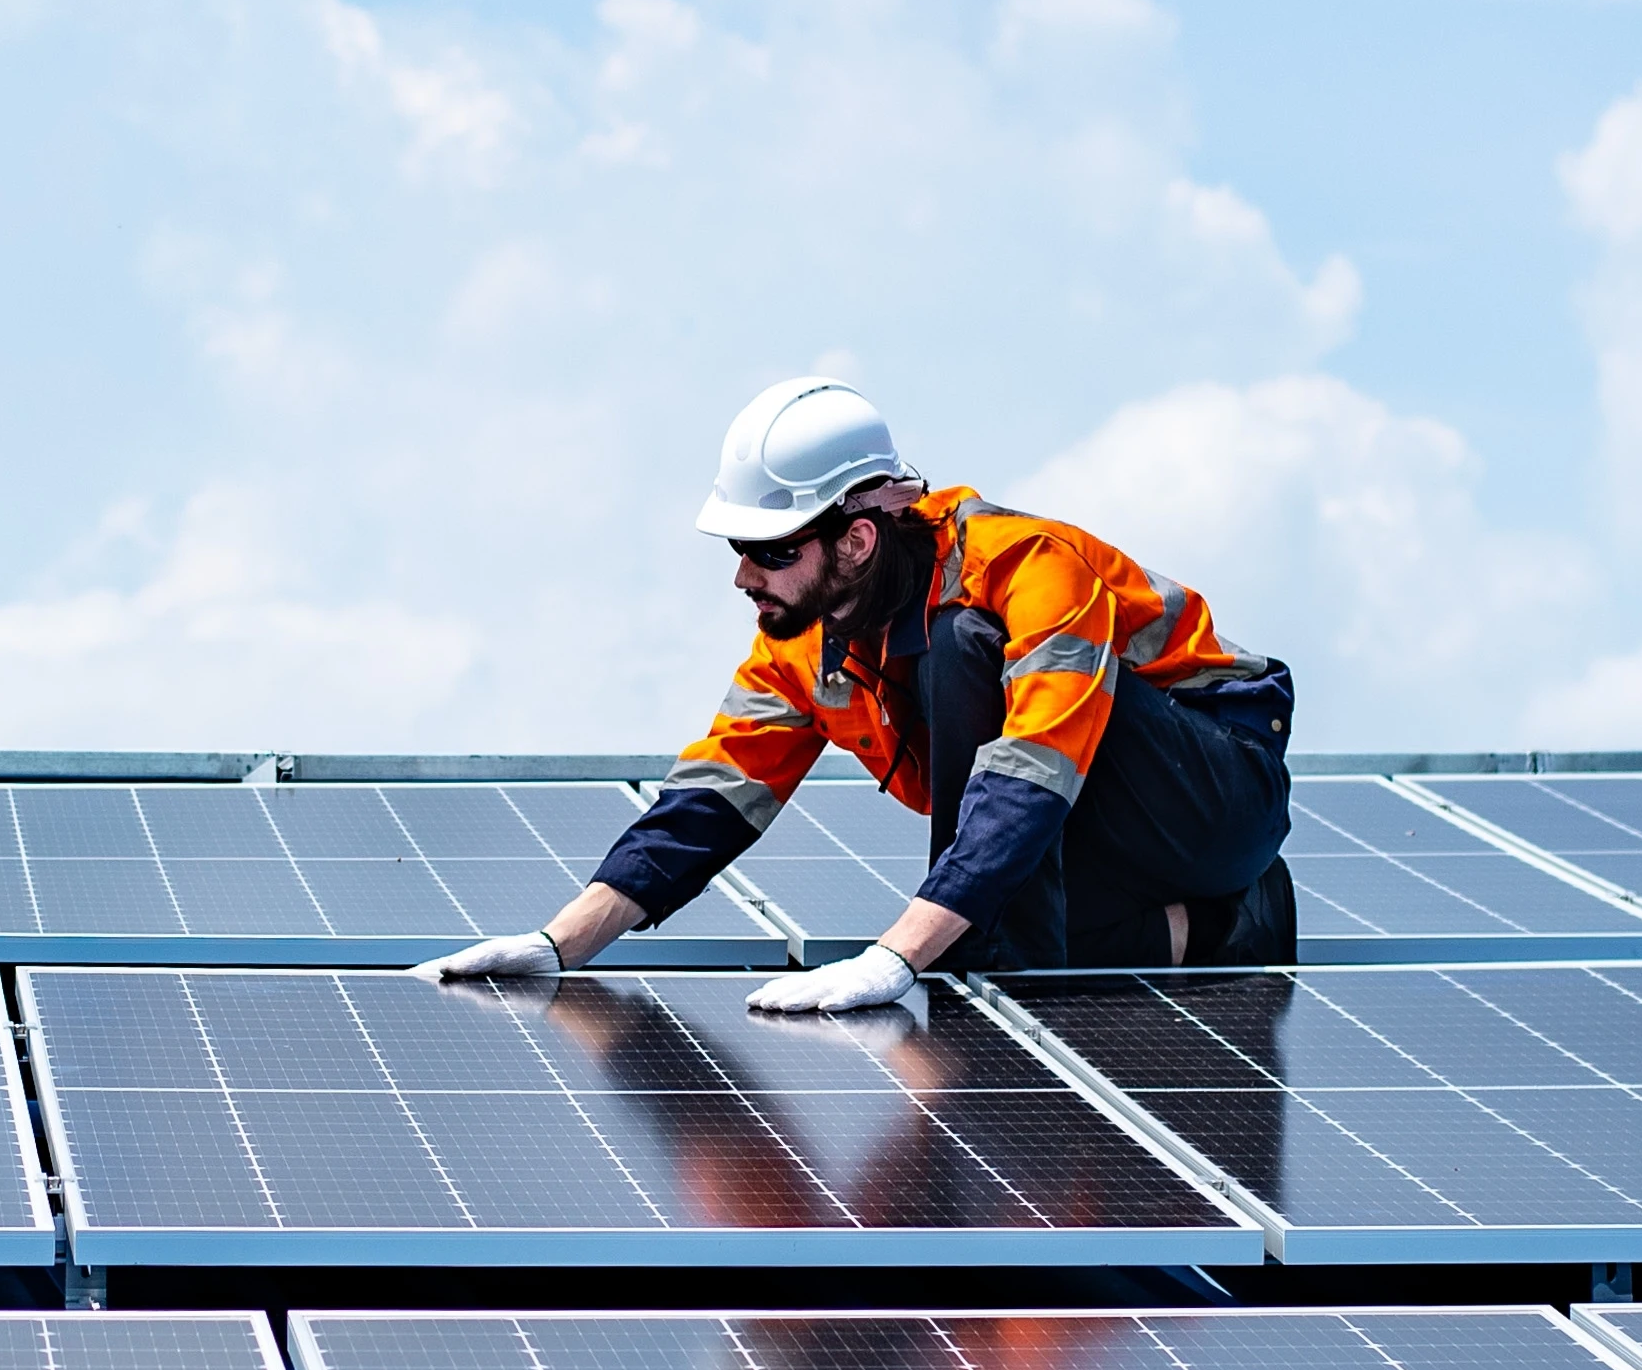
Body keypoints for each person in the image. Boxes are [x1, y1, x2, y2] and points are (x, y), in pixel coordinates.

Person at [424, 376, 1296, 1016]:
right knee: (982, 914)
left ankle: (1004, 973)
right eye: (738, 546)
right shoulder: (803, 641)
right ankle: (1225, 929)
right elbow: (708, 803)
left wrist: (896, 960)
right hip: (1094, 836)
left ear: (857, 538)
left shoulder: (1022, 569)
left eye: (769, 551)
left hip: (1214, 791)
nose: (741, 575)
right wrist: (557, 944)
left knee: (964, 663)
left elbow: (1031, 775)